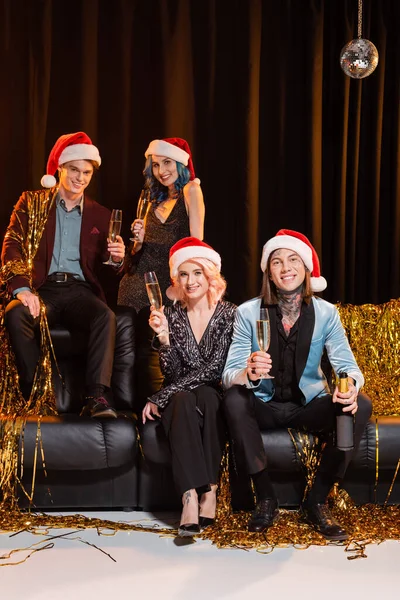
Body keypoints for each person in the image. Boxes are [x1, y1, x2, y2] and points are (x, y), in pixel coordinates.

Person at [222, 229, 372, 540]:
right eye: (277, 262)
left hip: (307, 405)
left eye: (293, 260)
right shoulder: (248, 313)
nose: (286, 267)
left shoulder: (327, 313)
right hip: (264, 403)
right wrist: (247, 372)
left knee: (362, 405)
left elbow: (348, 367)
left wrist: (351, 387)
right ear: (269, 273)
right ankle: (265, 498)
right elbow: (228, 374)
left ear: (305, 269)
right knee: (234, 398)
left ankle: (316, 501)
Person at [1, 131, 125, 418]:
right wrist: (22, 290)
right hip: (40, 289)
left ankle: (96, 397)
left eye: (86, 172)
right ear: (60, 168)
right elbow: (12, 244)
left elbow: (108, 272)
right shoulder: (32, 203)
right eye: (73, 170)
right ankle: (33, 393)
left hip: (79, 292)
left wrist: (117, 260)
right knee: (15, 313)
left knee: (104, 316)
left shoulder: (101, 215)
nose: (79, 178)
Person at [142, 237, 236, 536]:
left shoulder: (229, 314)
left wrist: (160, 395)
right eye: (184, 274)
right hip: (180, 396)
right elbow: (172, 373)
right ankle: (190, 496)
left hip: (212, 395)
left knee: (208, 395)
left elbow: (215, 369)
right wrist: (164, 339)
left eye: (197, 273)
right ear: (176, 280)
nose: (191, 281)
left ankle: (210, 490)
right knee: (181, 399)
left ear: (211, 276)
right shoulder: (171, 315)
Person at [118, 137, 205, 312]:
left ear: (180, 164)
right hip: (139, 278)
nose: (161, 171)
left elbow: (196, 245)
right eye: (156, 165)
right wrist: (138, 241)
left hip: (171, 277)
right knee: (127, 321)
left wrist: (181, 284)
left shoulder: (191, 190)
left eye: (167, 163)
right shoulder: (151, 199)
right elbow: (134, 253)